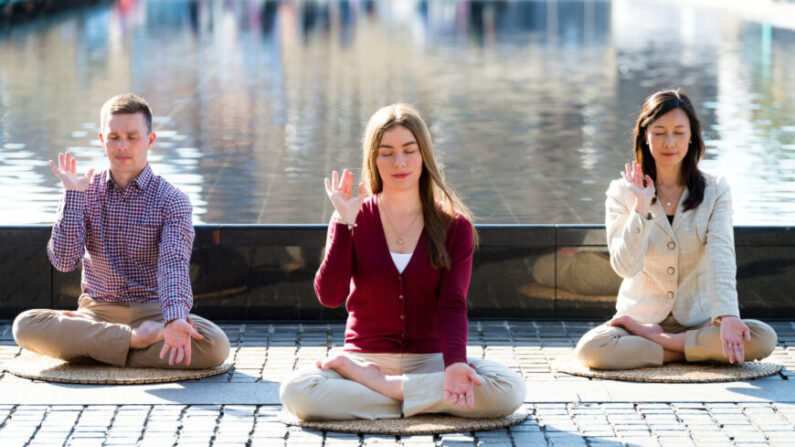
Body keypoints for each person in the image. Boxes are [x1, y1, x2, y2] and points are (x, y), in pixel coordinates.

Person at [280, 104, 525, 420]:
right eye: (387, 152)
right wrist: (344, 223)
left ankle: (384, 389)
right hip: (363, 357)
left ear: (424, 155)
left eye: (409, 150)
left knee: (508, 389)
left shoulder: (454, 225)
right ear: (374, 158)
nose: (399, 162)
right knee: (297, 391)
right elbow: (329, 296)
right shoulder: (351, 215)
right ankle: (421, 398)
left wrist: (454, 365)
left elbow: (452, 304)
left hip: (431, 360)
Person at [12, 93, 230, 369]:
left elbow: (173, 264)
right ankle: (133, 342)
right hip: (97, 312)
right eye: (114, 137)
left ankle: (98, 348)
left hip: (154, 314)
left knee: (214, 345)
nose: (122, 146)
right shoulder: (83, 191)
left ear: (150, 141)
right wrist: (72, 197)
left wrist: (174, 319)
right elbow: (64, 261)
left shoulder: (172, 200)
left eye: (132, 136)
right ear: (102, 140)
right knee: (25, 326)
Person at [574, 90, 777, 370]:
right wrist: (641, 208)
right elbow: (625, 267)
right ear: (645, 135)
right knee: (591, 350)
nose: (669, 142)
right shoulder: (621, 191)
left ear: (691, 135)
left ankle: (662, 345)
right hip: (638, 320)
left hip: (700, 320)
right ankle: (690, 350)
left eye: (679, 132)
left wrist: (728, 315)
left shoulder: (715, 189)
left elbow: (721, 253)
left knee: (764, 338)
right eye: (659, 132)